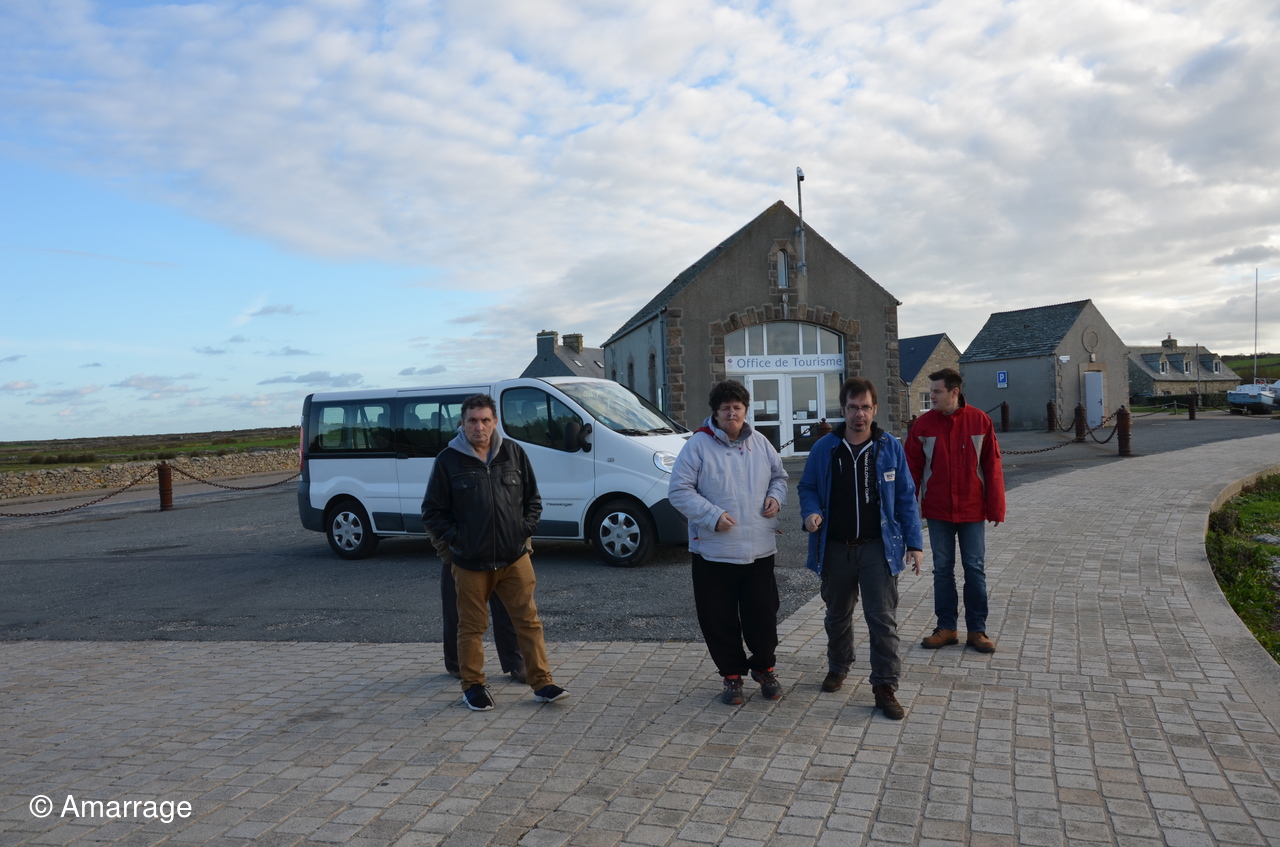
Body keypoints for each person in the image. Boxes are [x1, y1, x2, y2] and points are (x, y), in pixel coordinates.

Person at [421, 394, 567, 711]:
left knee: (528, 622)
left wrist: (522, 531)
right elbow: (432, 512)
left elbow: (533, 500)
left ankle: (542, 683)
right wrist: (458, 542)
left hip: (514, 557)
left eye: (485, 420)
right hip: (471, 562)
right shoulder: (448, 460)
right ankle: (473, 687)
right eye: (472, 421)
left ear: (495, 422)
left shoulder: (514, 453)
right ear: (462, 423)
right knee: (471, 627)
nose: (479, 427)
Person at [798, 377, 923, 720]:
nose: (859, 414)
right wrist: (811, 512)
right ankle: (839, 665)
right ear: (843, 409)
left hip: (878, 547)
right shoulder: (825, 448)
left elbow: (906, 497)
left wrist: (914, 543)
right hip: (835, 547)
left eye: (865, 407)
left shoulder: (889, 447)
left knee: (881, 619)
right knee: (837, 615)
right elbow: (807, 487)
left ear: (875, 409)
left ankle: (885, 686)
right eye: (853, 407)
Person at [669, 380, 788, 705]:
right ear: (716, 413)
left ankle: (764, 668)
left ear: (745, 410)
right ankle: (732, 676)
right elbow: (678, 490)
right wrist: (712, 516)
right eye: (726, 408)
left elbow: (779, 477)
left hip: (759, 551)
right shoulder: (698, 445)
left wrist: (776, 498)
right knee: (718, 619)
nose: (732, 413)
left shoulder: (760, 443)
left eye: (737, 407)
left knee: (763, 617)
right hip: (714, 552)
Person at [904, 367, 1006, 654]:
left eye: (937, 391)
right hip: (937, 510)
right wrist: (908, 510)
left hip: (972, 510)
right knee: (942, 570)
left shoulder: (980, 420)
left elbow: (992, 464)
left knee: (975, 569)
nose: (932, 396)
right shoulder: (922, 425)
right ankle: (946, 627)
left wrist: (996, 506)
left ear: (954, 392)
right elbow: (910, 470)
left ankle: (977, 630)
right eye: (931, 391)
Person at [432, 540, 525, 684]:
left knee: (508, 609)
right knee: (459, 611)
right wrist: (447, 550)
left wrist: (522, 543)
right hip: (460, 552)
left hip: (503, 549)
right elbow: (434, 524)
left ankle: (515, 662)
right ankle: (458, 663)